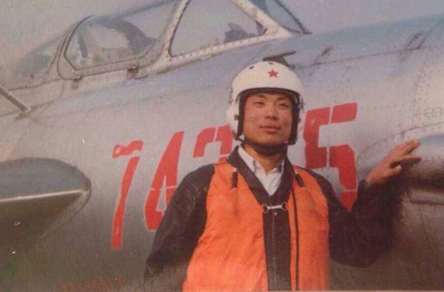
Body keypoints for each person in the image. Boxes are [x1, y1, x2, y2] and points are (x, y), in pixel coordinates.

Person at [144, 61, 420, 291]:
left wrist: (373, 187)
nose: (271, 114)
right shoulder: (203, 185)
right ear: (238, 114)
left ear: (295, 119)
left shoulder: (314, 188)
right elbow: (161, 276)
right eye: (259, 103)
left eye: (283, 105)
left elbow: (356, 250)